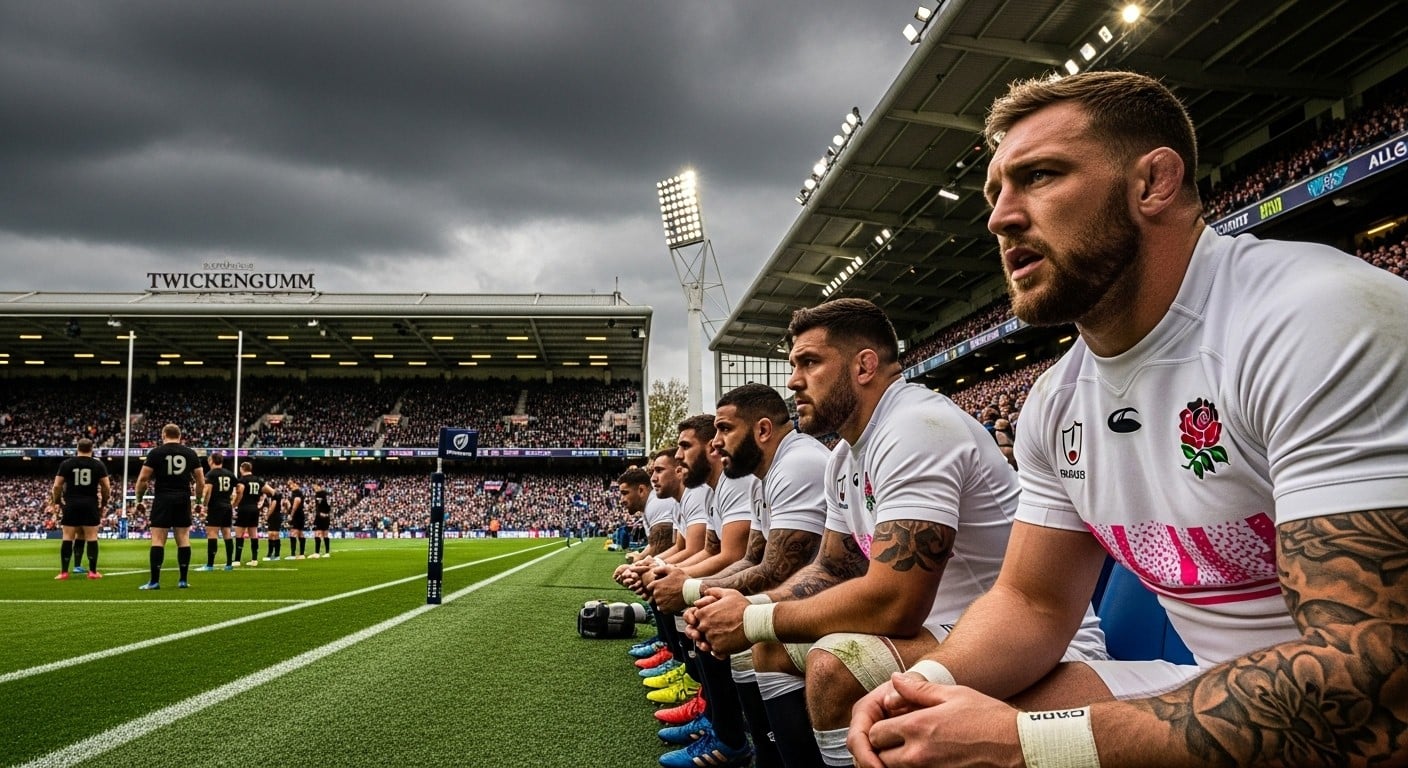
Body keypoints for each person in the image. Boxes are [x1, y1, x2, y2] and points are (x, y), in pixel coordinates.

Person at [848, 70, 1408, 768]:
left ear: (1154, 183)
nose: (999, 217)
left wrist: (1030, 744)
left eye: (1040, 176)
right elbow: (1034, 601)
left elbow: (1379, 677)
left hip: (1363, 708)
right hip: (1217, 684)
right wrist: (926, 683)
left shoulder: (1313, 318)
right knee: (927, 735)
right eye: (995, 194)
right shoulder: (1056, 400)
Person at [691, 299, 1105, 768]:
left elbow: (896, 603)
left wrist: (749, 620)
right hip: (944, 629)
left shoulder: (915, 427)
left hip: (1026, 642)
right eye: (793, 365)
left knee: (834, 665)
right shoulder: (846, 457)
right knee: (769, 648)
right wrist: (751, 609)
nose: (793, 381)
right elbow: (832, 567)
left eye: (809, 362)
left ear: (864, 365)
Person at [676, 383, 833, 768]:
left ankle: (744, 746)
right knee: (717, 611)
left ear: (763, 430)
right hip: (817, 594)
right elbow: (752, 559)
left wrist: (692, 589)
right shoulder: (766, 476)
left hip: (835, 599)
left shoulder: (797, 463)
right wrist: (695, 589)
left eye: (724, 430)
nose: (716, 444)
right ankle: (743, 742)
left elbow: (778, 569)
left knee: (753, 639)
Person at [133, 423, 206, 590]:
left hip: (162, 499)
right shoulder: (190, 453)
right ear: (180, 436)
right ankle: (182, 580)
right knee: (183, 539)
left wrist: (139, 500)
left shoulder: (156, 453)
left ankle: (154, 581)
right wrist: (199, 501)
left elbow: (143, 480)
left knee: (158, 539)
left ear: (163, 435)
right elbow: (200, 481)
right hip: (183, 499)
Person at [51, 438, 112, 580]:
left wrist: (58, 501)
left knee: (67, 537)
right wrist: (103, 503)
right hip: (90, 503)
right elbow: (106, 487)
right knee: (91, 537)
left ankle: (64, 572)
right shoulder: (98, 464)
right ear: (92, 449)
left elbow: (57, 486)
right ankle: (92, 572)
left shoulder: (66, 464)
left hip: (71, 503)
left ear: (77, 448)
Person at [198, 452, 237, 571]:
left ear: (211, 461)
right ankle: (229, 564)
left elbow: (208, 490)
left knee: (212, 534)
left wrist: (204, 504)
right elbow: (239, 489)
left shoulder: (210, 474)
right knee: (227, 534)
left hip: (215, 506)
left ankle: (210, 565)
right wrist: (233, 503)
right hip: (227, 505)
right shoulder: (230, 474)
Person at [232, 461, 273, 566]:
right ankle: (254, 559)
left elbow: (240, 492)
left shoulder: (242, 480)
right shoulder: (258, 480)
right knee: (253, 534)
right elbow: (270, 491)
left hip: (244, 507)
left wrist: (234, 505)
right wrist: (261, 501)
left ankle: (237, 560)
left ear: (242, 469)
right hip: (254, 508)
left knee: (239, 534)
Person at [310, 481, 333, 558]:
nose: (315, 489)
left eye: (316, 487)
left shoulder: (325, 494)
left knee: (325, 534)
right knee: (317, 534)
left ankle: (327, 552)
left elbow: (329, 505)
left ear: (320, 486)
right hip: (318, 517)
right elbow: (317, 506)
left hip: (325, 517)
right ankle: (317, 553)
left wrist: (326, 513)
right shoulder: (316, 494)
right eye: (314, 488)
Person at [285, 479, 307, 559]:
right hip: (299, 515)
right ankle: (301, 554)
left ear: (295, 484)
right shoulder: (296, 493)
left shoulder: (297, 493)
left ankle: (293, 554)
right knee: (300, 533)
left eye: (290, 484)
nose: (289, 486)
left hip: (297, 515)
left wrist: (291, 515)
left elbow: (296, 503)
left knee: (293, 533)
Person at [264, 485, 284, 561]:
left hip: (274, 516)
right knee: (273, 534)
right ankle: (274, 554)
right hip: (276, 516)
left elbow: (273, 505)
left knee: (272, 534)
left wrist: (267, 515)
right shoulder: (277, 496)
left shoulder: (275, 497)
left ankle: (272, 554)